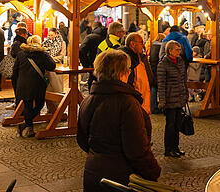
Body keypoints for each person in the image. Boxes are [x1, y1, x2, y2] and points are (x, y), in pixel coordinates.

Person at [77, 49, 160, 191]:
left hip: (93, 172)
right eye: (128, 69)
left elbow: (82, 139)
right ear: (122, 73)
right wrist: (153, 171)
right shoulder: (127, 103)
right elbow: (137, 148)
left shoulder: (88, 100)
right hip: (121, 177)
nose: (129, 72)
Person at [11, 35, 55, 138]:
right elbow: (52, 66)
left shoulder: (21, 54)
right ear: (39, 43)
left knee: (27, 105)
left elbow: (15, 70)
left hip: (23, 84)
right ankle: (27, 125)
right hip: (37, 84)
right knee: (40, 104)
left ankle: (28, 126)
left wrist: (18, 82)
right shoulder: (42, 54)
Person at [157, 40, 188, 158]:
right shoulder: (163, 64)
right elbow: (161, 84)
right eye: (177, 50)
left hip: (179, 97)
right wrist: (162, 100)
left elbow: (183, 80)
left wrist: (185, 94)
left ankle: (176, 147)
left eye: (179, 49)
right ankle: (168, 149)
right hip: (170, 99)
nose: (179, 51)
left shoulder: (180, 62)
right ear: (170, 51)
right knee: (170, 125)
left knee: (177, 125)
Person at [123, 32, 152, 114]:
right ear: (132, 44)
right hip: (136, 103)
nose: (143, 45)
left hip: (143, 102)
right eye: (141, 42)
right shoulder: (128, 60)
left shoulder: (140, 57)